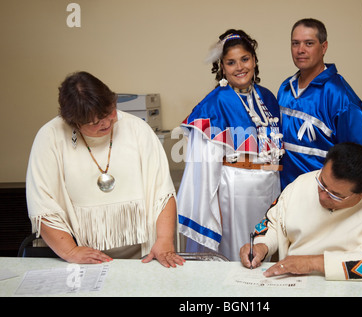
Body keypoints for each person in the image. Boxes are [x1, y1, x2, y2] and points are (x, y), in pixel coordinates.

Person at [26, 71, 185, 267]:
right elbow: (42, 204)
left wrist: (164, 240)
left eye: (110, 112)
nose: (107, 123)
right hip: (81, 259)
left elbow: (163, 191)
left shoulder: (137, 129)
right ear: (73, 122)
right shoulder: (50, 137)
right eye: (95, 122)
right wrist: (70, 251)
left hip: (144, 256)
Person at [240, 142, 362, 281]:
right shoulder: (305, 183)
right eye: (322, 184)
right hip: (299, 284)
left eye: (335, 195)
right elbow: (274, 222)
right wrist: (261, 247)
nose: (322, 196)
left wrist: (313, 263)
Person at [177, 29, 284, 261]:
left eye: (245, 59)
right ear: (222, 67)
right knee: (240, 254)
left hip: (270, 187)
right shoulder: (215, 103)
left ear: (254, 60)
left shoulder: (268, 97)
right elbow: (203, 167)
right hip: (235, 194)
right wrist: (212, 210)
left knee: (268, 246)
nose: (240, 67)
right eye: (231, 62)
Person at [278, 18, 362, 189]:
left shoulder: (341, 97)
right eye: (295, 43)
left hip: (321, 197)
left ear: (323, 47)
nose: (300, 50)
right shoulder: (285, 87)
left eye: (309, 43)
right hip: (285, 194)